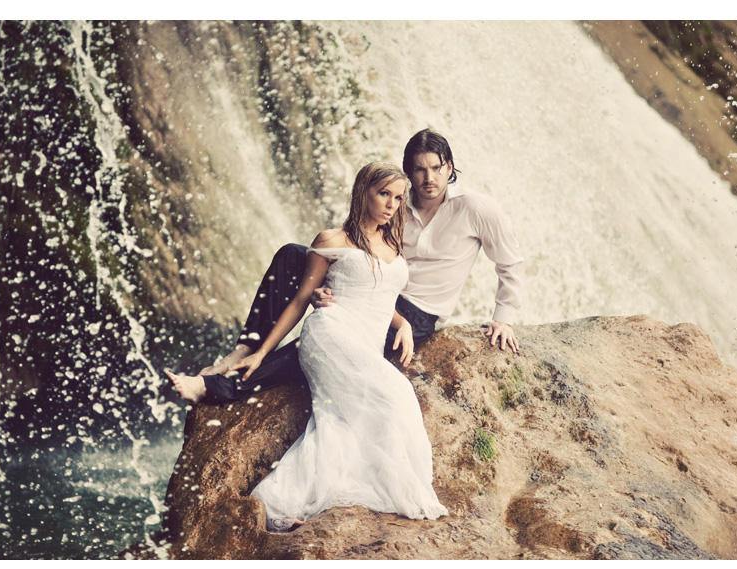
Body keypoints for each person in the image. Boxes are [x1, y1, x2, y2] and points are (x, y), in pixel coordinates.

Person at [166, 129, 523, 407]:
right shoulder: (395, 202)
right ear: (409, 172)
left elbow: (510, 262)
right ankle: (248, 347)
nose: (429, 177)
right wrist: (329, 282)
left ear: (450, 167)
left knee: (323, 340)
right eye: (419, 169)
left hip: (416, 312)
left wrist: (503, 317)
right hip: (368, 289)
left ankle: (219, 388)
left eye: (437, 167)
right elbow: (353, 245)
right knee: (293, 254)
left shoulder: (476, 209)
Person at [191, 161, 448, 531]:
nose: (391, 205)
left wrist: (403, 322)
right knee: (398, 395)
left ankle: (276, 504)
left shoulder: (391, 242)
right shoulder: (332, 240)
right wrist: (262, 350)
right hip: (331, 332)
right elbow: (299, 299)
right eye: (383, 194)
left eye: (398, 197)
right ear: (364, 192)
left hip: (365, 340)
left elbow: (378, 296)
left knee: (341, 422)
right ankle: (224, 374)